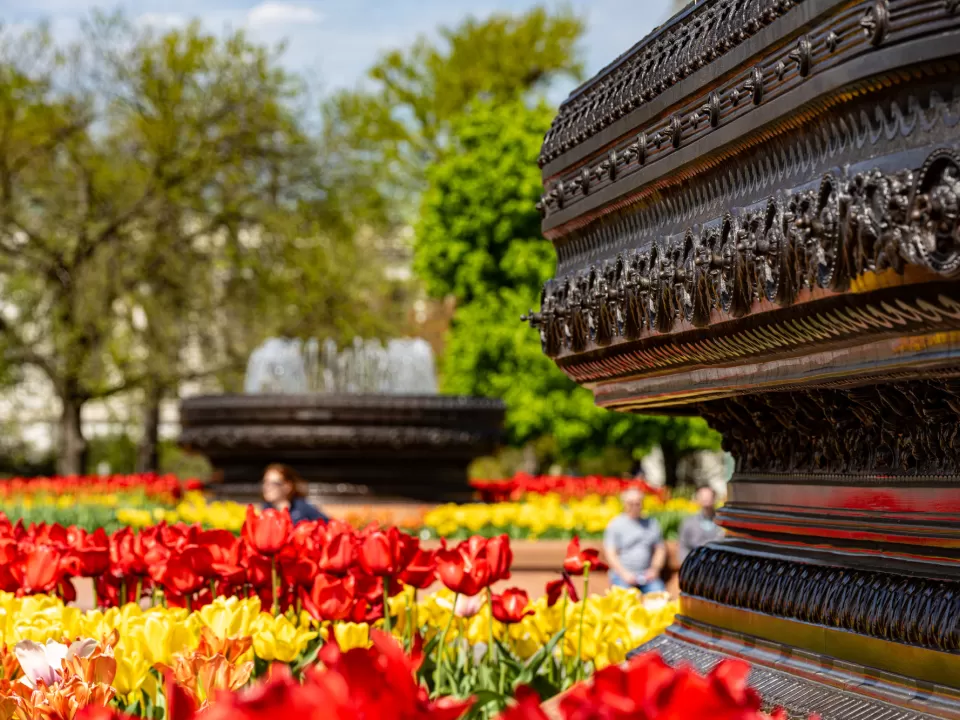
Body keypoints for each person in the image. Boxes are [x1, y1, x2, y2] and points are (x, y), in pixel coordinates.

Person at [603, 487, 666, 593]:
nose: (634, 507)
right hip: (622, 575)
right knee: (624, 600)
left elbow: (660, 550)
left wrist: (655, 569)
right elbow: (610, 554)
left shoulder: (652, 524)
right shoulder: (615, 524)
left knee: (659, 596)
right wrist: (624, 574)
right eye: (630, 503)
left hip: (647, 575)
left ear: (642, 504)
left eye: (638, 503)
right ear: (624, 504)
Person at [261, 464, 329, 524]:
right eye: (265, 482)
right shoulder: (265, 510)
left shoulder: (302, 507)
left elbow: (327, 523)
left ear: (287, 487)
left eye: (274, 483)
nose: (267, 487)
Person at [678, 485, 723, 562]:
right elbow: (683, 546)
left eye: (709, 496)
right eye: (702, 496)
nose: (706, 499)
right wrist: (687, 564)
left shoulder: (723, 522)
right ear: (697, 498)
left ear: (715, 498)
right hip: (694, 564)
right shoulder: (689, 522)